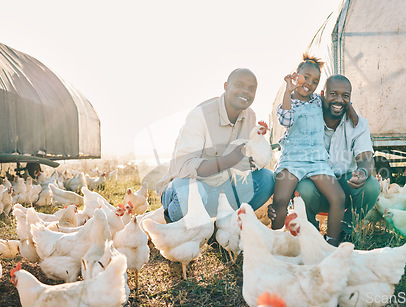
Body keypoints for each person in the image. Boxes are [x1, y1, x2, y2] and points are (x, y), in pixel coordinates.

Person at [155, 68, 274, 222]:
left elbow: (243, 164)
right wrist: (228, 160)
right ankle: (173, 224)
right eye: (239, 85)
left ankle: (224, 226)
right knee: (186, 194)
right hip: (185, 187)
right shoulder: (201, 115)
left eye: (252, 89)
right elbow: (184, 168)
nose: (246, 91)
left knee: (266, 179)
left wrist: (251, 162)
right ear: (226, 86)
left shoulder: (250, 116)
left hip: (221, 188)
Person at [268, 55, 357, 246]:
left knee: (338, 197)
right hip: (292, 160)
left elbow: (338, 102)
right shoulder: (288, 102)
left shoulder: (317, 101)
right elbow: (286, 120)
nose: (309, 83)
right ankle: (276, 244)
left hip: (317, 161)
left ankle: (331, 243)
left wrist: (352, 112)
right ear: (296, 75)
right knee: (281, 199)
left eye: (315, 81)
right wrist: (287, 90)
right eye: (306, 77)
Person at [295, 74, 380, 241]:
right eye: (333, 94)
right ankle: (311, 236)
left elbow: (367, 159)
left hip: (345, 186)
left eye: (345, 96)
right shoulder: (309, 119)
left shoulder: (358, 124)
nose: (339, 100)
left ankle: (343, 231)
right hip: (315, 188)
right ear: (322, 94)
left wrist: (362, 172)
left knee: (371, 187)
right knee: (303, 187)